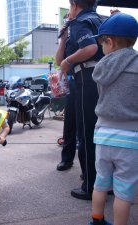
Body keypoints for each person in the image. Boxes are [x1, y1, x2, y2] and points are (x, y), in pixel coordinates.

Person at [89, 13, 138, 225]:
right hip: (130, 138)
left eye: (102, 43)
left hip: (103, 135)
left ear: (109, 41)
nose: (102, 48)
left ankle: (96, 219)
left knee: (101, 183)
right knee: (124, 190)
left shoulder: (102, 66)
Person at [60, 0, 104, 200]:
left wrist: (69, 61)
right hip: (104, 77)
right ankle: (103, 181)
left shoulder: (80, 22)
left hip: (86, 78)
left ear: (74, 4)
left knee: (86, 132)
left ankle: (90, 185)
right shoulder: (100, 21)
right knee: (101, 132)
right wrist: (64, 37)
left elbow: (90, 48)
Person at [55, 11, 77, 172]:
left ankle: (89, 167)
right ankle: (67, 159)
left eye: (69, 16)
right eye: (66, 17)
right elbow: (58, 61)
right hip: (72, 83)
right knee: (69, 122)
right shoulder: (68, 37)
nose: (67, 19)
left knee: (85, 125)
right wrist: (63, 38)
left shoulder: (85, 28)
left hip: (86, 80)